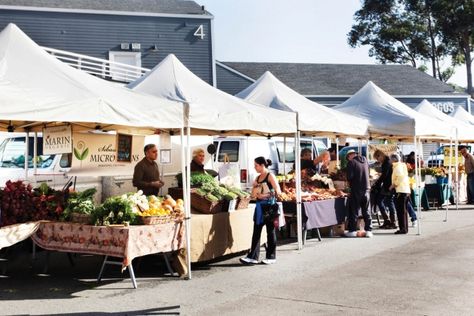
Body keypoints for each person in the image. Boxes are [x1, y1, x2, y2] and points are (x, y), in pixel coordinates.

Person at [240, 157, 281, 265]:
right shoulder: (257, 178)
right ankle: (253, 256)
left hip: (269, 207)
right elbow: (254, 191)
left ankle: (271, 257)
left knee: (270, 232)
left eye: (256, 165)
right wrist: (254, 190)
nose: (254, 167)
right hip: (259, 207)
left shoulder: (270, 175)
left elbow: (278, 191)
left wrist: (265, 195)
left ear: (262, 165)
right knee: (256, 232)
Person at [344, 149, 373, 238]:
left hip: (356, 189)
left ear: (350, 156)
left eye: (348, 158)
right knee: (366, 211)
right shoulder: (365, 161)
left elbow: (350, 177)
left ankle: (352, 230)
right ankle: (368, 231)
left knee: (354, 210)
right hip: (366, 189)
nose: (348, 160)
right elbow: (368, 173)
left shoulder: (351, 162)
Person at [372, 150, 397, 229]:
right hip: (388, 185)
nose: (377, 160)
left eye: (377, 158)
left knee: (387, 202)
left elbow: (384, 176)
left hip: (388, 186)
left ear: (380, 155)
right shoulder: (386, 162)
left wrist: (377, 183)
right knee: (384, 202)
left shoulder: (386, 163)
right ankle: (388, 221)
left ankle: (391, 222)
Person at [390, 153, 410, 234]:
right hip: (405, 190)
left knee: (400, 211)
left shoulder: (397, 166)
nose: (390, 161)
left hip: (401, 190)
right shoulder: (402, 165)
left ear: (394, 159)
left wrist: (394, 185)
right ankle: (404, 228)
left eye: (391, 159)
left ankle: (403, 229)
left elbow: (400, 176)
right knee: (403, 211)